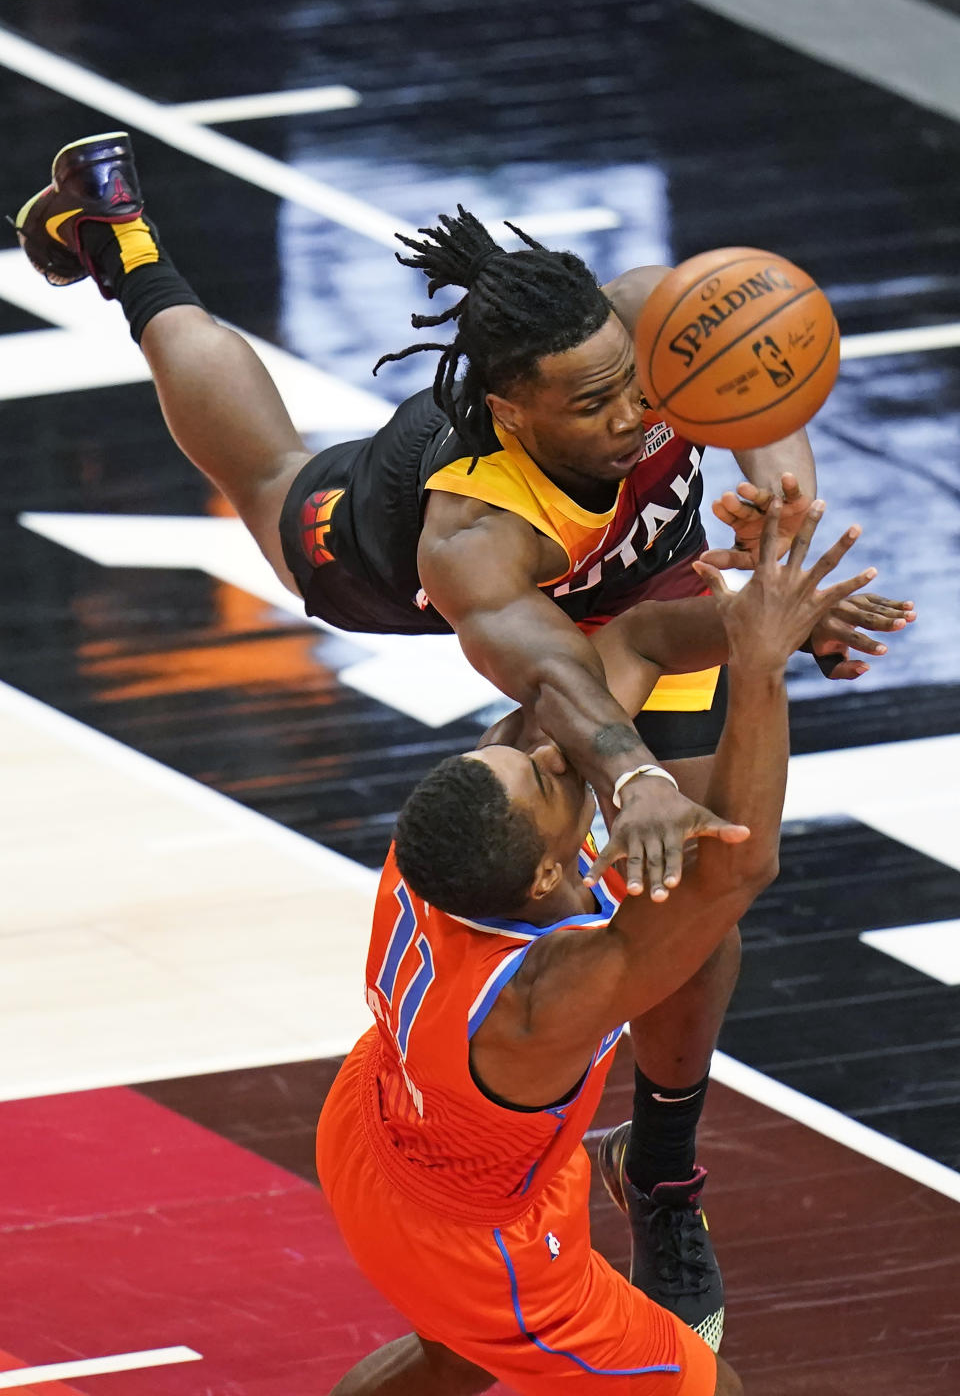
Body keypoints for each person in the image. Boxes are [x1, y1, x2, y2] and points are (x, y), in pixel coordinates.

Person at [14, 134, 912, 1342]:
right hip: (387, 550)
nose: (633, 415)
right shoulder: (470, 540)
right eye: (592, 406)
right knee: (268, 470)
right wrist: (636, 768)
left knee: (701, 903)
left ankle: (661, 1173)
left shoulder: (644, 330)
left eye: (632, 387)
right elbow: (557, 675)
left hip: (633, 593)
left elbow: (761, 378)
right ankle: (124, 247)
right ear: (510, 407)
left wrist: (781, 509)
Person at [316, 501, 877, 1395]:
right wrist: (762, 669)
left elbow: (646, 639)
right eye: (543, 777)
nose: (553, 754)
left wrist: (755, 611)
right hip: (470, 1236)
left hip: (377, 1131)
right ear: (543, 879)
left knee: (456, 1357)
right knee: (710, 1390)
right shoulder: (538, 1002)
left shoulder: (460, 847)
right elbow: (739, 873)